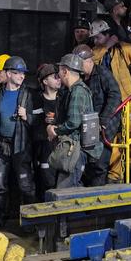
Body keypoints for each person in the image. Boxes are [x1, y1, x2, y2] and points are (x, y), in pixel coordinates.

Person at [91, 19, 131, 182]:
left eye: (98, 38)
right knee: (113, 141)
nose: (95, 41)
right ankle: (115, 174)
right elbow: (91, 64)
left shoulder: (124, 49)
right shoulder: (96, 52)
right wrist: (106, 46)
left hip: (129, 101)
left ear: (107, 35)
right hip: (110, 106)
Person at [0, 56, 35, 230]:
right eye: (18, 73)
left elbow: (40, 122)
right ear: (9, 74)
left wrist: (27, 116)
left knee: (25, 185)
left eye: (23, 74)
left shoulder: (29, 96)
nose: (22, 76)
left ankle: (29, 221)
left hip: (21, 146)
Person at [73, 45, 122, 186]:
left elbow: (115, 95)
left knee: (99, 165)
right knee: (87, 165)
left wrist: (104, 120)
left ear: (89, 61)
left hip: (104, 126)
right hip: (88, 126)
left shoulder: (102, 73)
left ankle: (97, 203)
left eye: (79, 62)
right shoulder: (81, 78)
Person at [46, 54, 93, 188]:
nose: (58, 75)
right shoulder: (75, 90)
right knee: (73, 188)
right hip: (75, 148)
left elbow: (73, 122)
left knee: (65, 190)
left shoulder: (77, 91)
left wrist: (54, 130)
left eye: (59, 71)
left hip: (75, 148)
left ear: (65, 71)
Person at [32, 64, 61, 201]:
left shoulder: (64, 97)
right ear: (45, 81)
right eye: (55, 77)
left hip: (62, 148)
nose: (58, 79)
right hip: (43, 150)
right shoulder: (36, 99)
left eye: (59, 76)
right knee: (44, 183)